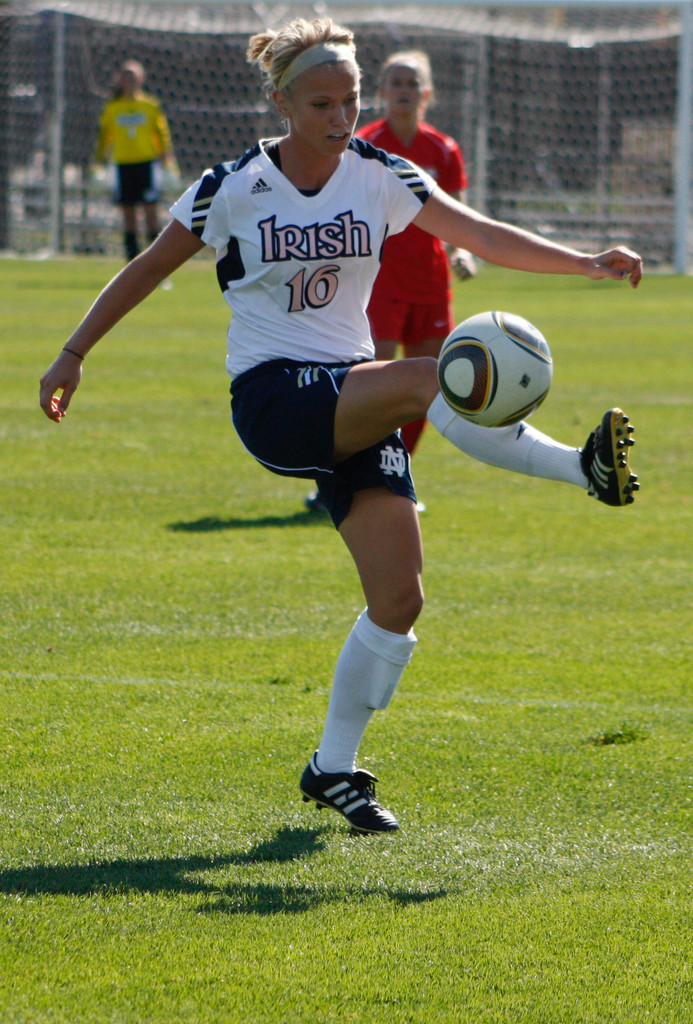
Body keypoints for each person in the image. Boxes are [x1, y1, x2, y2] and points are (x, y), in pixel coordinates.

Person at [40, 16, 641, 836]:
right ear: (284, 102)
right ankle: (583, 471)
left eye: (349, 100)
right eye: (322, 102)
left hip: (352, 393)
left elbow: (479, 234)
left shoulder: (381, 173)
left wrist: (584, 260)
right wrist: (74, 351)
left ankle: (332, 767)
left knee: (399, 599)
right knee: (432, 378)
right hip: (275, 397)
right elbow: (145, 269)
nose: (339, 115)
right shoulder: (231, 184)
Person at [358, 50, 476, 456]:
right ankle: (348, 475)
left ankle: (395, 472)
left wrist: (462, 252)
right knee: (374, 384)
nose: (404, 90)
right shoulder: (365, 146)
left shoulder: (443, 149)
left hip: (430, 282)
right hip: (381, 282)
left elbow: (458, 216)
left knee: (429, 386)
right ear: (381, 92)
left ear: (427, 93)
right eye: (397, 82)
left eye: (413, 83)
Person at [95, 59, 176, 262]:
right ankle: (131, 264)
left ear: (141, 79)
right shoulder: (113, 108)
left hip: (146, 165)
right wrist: (98, 165)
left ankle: (156, 264)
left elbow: (162, 135)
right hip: (123, 166)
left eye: (133, 76)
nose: (129, 80)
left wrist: (168, 164)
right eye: (125, 76)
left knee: (151, 214)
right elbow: (104, 137)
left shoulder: (150, 105)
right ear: (120, 80)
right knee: (129, 216)